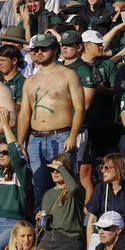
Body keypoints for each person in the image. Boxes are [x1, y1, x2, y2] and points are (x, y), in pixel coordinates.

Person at [17, 33, 85, 207]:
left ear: (54, 49)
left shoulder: (68, 75)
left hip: (61, 136)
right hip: (35, 139)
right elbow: (25, 113)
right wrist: (20, 142)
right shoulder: (30, 81)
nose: (38, 52)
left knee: (66, 186)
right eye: (35, 49)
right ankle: (43, 227)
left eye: (43, 48)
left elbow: (79, 108)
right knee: (39, 187)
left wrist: (73, 135)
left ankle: (66, 226)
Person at [0, 107, 31, 250]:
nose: (1, 155)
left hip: (11, 225)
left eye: (5, 152)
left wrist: (5, 125)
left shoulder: (22, 172)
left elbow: (16, 155)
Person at [36, 154, 85, 250]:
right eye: (52, 170)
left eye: (58, 169)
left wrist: (61, 168)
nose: (54, 172)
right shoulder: (48, 193)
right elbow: (43, 226)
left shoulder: (77, 190)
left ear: (66, 170)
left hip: (68, 239)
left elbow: (74, 188)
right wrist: (39, 220)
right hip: (48, 237)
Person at [86, 154, 125, 250]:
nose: (102, 171)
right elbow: (91, 220)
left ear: (118, 168)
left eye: (106, 167)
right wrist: (89, 248)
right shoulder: (101, 187)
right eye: (102, 167)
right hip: (102, 236)